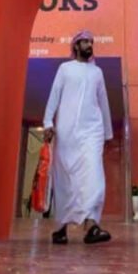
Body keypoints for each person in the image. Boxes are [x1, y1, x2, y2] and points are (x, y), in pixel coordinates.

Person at [43, 29, 114, 245]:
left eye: (91, 42)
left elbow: (103, 102)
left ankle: (92, 224)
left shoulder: (97, 72)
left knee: (93, 175)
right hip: (66, 133)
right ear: (76, 46)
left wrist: (108, 133)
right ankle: (61, 227)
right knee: (66, 178)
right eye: (85, 42)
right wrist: (47, 122)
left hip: (92, 131)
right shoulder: (65, 69)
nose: (89, 45)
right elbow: (54, 95)